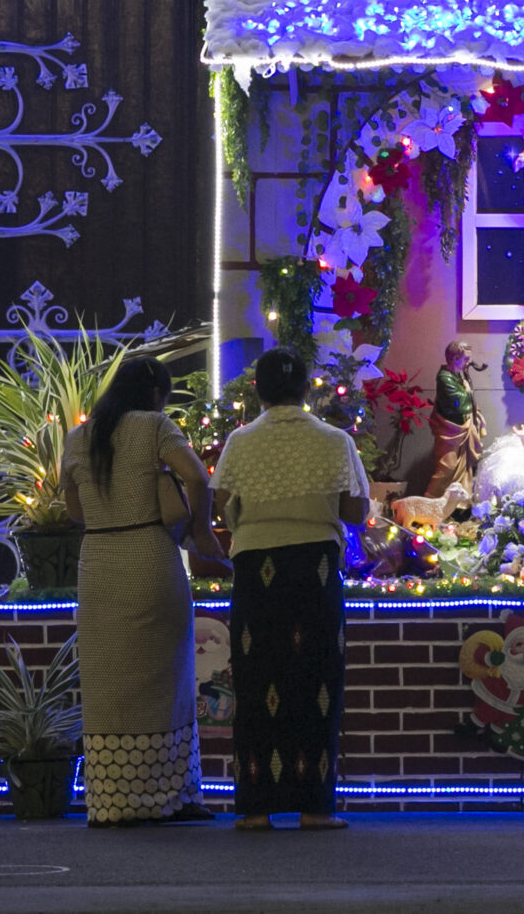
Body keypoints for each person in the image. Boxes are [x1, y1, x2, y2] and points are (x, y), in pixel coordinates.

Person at [209, 348, 369, 832]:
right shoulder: (334, 440)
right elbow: (356, 513)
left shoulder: (239, 442)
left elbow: (220, 507)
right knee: (317, 683)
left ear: (257, 390)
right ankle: (315, 807)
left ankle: (255, 809)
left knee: (257, 684)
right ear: (305, 389)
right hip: (314, 571)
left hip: (257, 572)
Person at [59, 353, 222, 827]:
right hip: (149, 556)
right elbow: (197, 475)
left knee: (109, 684)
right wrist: (202, 528)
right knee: (166, 678)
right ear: (155, 393)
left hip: (100, 564)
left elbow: (75, 512)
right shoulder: (155, 426)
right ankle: (170, 795)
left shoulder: (78, 437)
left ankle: (110, 800)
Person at [422, 341, 487, 497]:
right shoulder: (445, 378)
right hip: (450, 430)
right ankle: (430, 501)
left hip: (463, 427)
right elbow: (457, 402)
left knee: (465, 467)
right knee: (447, 466)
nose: (468, 363)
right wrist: (467, 390)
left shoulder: (459, 375)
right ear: (453, 359)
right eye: (465, 359)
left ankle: (458, 504)